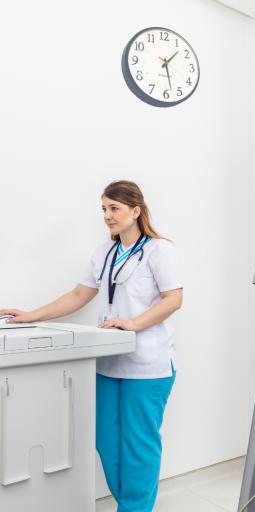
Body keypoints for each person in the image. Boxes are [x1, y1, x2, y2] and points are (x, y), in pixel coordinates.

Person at [0, 180, 183, 512]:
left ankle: (133, 509)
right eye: (104, 209)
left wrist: (133, 324)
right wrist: (30, 315)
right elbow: (77, 296)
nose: (107, 216)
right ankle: (130, 504)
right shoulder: (104, 253)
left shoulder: (159, 250)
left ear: (136, 211)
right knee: (106, 441)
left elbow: (174, 299)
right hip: (109, 363)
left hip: (148, 363)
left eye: (114, 208)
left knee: (138, 445)